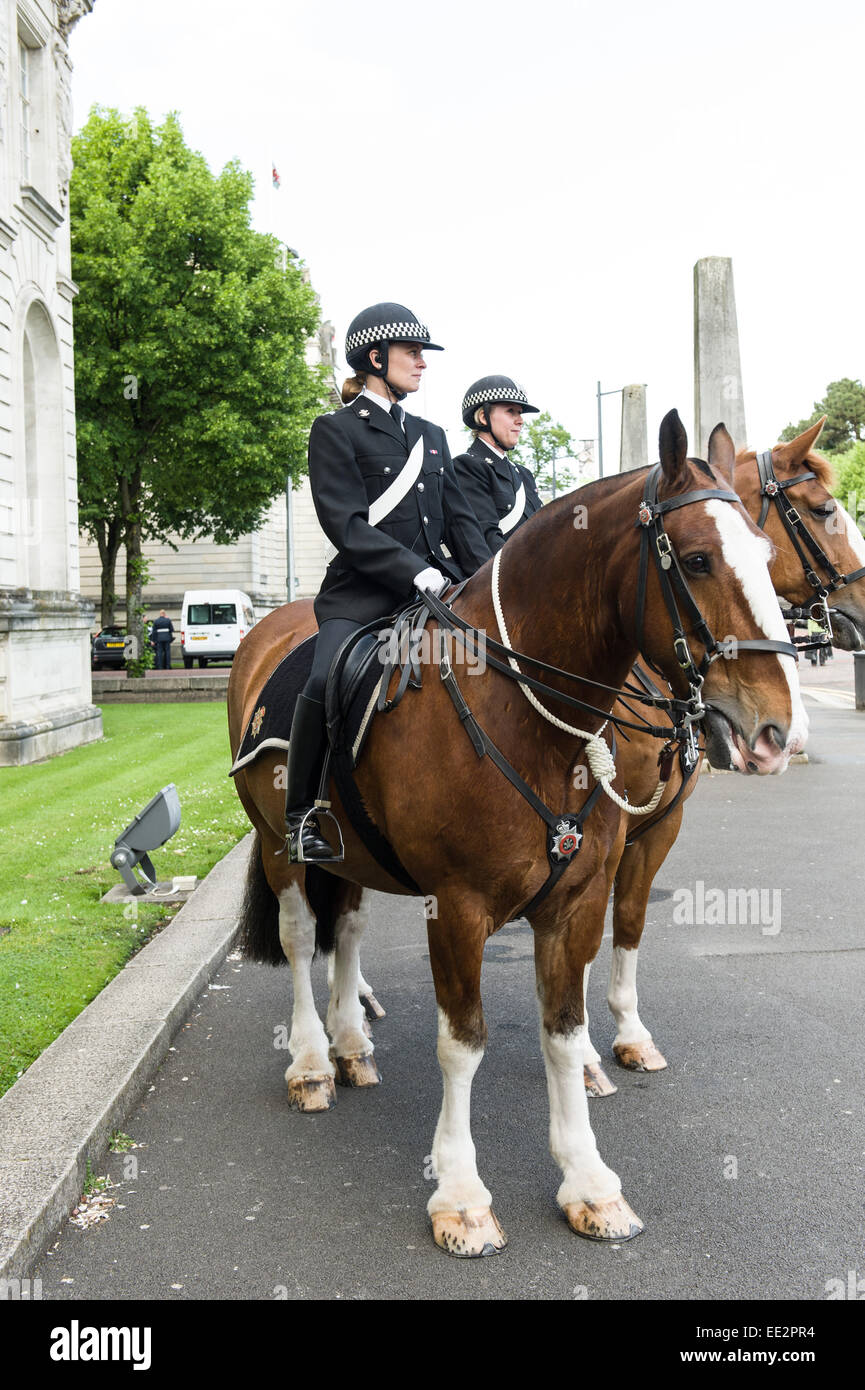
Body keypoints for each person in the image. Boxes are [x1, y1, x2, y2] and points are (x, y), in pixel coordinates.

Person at [285, 302, 492, 863]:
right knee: (326, 676)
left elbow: (462, 525)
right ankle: (300, 814)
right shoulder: (334, 430)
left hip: (437, 593)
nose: (422, 363)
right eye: (412, 353)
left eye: (423, 354)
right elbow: (346, 525)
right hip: (362, 593)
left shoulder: (430, 436)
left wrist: (490, 581)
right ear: (375, 358)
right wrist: (412, 569)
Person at [452, 375, 543, 552]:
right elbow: (486, 540)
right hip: (504, 576)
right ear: (484, 418)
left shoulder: (524, 474)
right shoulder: (466, 467)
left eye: (520, 413)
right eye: (511, 411)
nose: (520, 420)